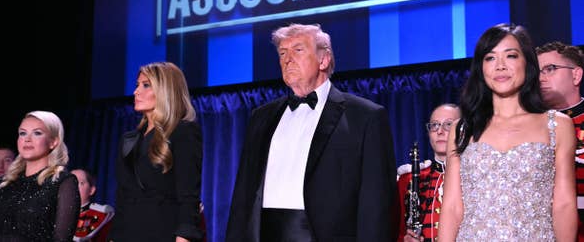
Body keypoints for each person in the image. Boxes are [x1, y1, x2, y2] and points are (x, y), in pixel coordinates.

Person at [226, 23, 397, 242]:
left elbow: (376, 203)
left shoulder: (365, 117)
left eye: (298, 50)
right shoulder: (261, 117)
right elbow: (243, 196)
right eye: (282, 53)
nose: (287, 59)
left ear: (323, 59)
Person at [438, 23, 578, 241]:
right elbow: (452, 207)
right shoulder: (463, 129)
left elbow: (564, 205)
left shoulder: (557, 125)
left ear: (527, 63)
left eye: (510, 56)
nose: (500, 66)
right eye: (490, 58)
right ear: (481, 68)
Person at [109, 61, 203, 242]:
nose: (136, 92)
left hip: (163, 232)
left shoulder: (183, 131)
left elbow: (188, 195)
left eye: (146, 85)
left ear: (165, 90)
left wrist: (184, 236)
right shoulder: (129, 139)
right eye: (137, 85)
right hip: (127, 234)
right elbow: (122, 197)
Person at [0, 110, 80, 241]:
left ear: (53, 141)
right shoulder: (1, 184)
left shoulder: (63, 182)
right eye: (22, 133)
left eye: (37, 133)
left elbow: (61, 238)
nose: (27, 139)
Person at [537, 41, 584, 240]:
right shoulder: (529, 128)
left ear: (576, 75)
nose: (540, 78)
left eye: (550, 69)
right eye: (536, 72)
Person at [396, 104, 460, 242]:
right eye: (434, 125)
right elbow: (397, 232)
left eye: (448, 124)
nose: (440, 131)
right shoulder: (408, 180)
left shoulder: (474, 178)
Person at [72, 168, 114, 241]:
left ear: (91, 190)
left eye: (81, 183)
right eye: (69, 183)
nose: (73, 186)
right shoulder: (54, 213)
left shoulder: (101, 215)